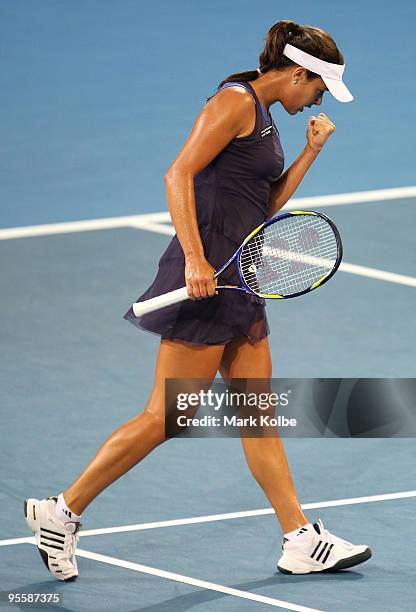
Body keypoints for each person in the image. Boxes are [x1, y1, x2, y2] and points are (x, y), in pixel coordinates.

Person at [25, 19, 372, 579]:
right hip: (205, 279)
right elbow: (178, 172)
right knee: (166, 417)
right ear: (299, 73)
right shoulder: (235, 103)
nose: (317, 101)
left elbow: (263, 205)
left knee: (258, 416)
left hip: (240, 278)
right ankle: (60, 512)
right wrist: (193, 257)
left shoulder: (268, 121)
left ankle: (299, 537)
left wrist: (310, 153)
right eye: (318, 88)